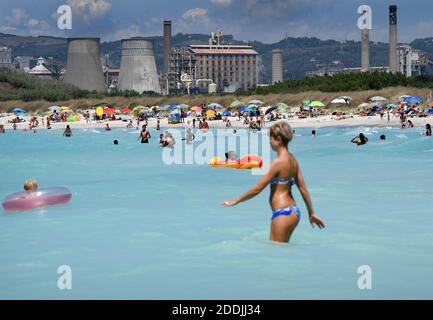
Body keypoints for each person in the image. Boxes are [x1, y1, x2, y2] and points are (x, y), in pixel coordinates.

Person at [222, 122, 325, 243]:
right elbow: (302, 187)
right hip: (294, 212)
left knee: (276, 255)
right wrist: (311, 212)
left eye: (270, 139)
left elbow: (257, 189)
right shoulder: (293, 160)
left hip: (282, 214)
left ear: (279, 140)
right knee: (282, 254)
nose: (269, 142)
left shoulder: (278, 162)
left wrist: (236, 200)